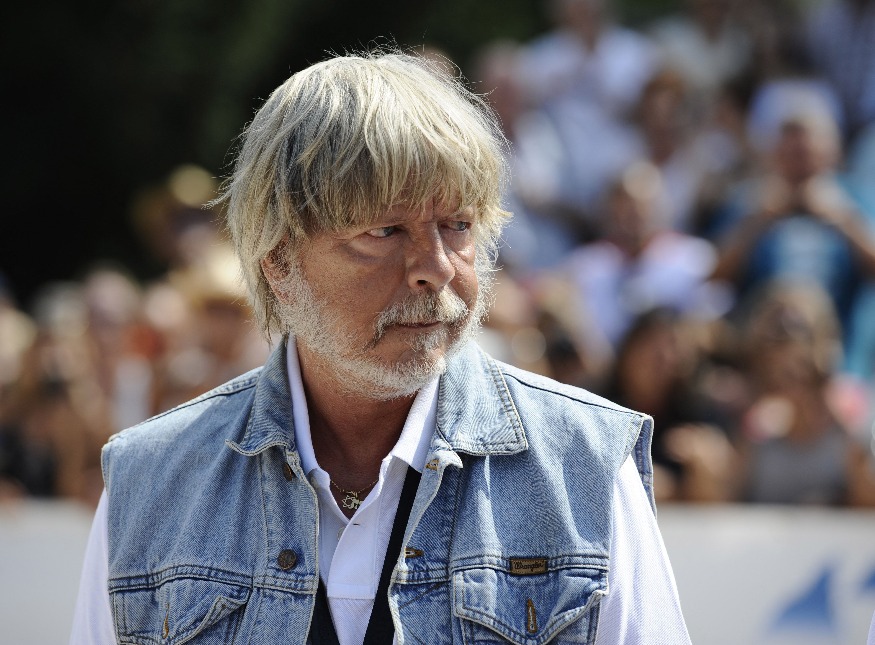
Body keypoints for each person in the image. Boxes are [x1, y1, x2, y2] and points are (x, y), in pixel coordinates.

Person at [70, 51, 690, 644]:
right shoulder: (151, 483)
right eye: (385, 230)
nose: (436, 268)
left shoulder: (584, 465)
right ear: (279, 262)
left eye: (458, 225)